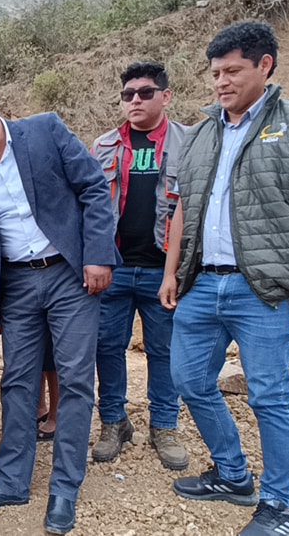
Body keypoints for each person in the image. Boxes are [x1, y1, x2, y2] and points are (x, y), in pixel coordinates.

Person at [158, 22, 289, 536]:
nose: (221, 81)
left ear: (265, 66)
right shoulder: (200, 134)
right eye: (215, 72)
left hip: (262, 287)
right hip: (200, 284)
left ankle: (282, 506)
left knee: (268, 395)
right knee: (189, 381)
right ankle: (234, 475)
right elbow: (180, 210)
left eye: (232, 70)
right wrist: (173, 271)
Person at [0, 84, 117, 535]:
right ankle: (12, 480)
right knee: (17, 381)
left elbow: (92, 189)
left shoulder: (45, 131)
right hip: (15, 285)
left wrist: (99, 255)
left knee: (73, 379)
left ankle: (65, 487)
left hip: (69, 272)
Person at [88, 61, 189, 470]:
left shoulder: (190, 141)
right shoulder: (105, 146)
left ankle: (164, 426)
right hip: (115, 267)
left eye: (145, 92)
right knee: (107, 348)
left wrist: (179, 270)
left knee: (164, 352)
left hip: (163, 268)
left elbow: (192, 206)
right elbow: (92, 207)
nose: (135, 100)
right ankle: (114, 422)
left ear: (165, 96)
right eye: (128, 94)